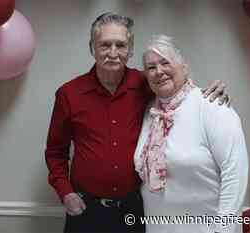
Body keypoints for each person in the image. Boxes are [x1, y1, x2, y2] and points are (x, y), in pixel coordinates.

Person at [45, 12, 230, 233]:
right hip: (86, 210)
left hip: (133, 210)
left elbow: (179, 89)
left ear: (130, 50)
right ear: (92, 48)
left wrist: (211, 93)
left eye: (120, 45)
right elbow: (55, 152)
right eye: (105, 45)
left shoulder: (146, 83)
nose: (113, 53)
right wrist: (65, 192)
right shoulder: (69, 94)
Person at [134, 35, 249, 233]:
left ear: (184, 67)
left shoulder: (212, 105)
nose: (158, 71)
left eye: (165, 62)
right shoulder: (149, 113)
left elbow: (235, 174)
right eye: (151, 67)